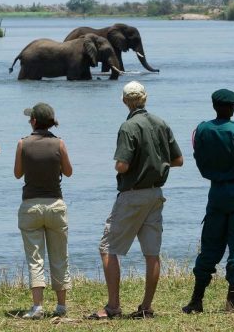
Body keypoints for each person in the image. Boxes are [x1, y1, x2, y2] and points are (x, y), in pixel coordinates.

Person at [88, 81, 184, 320]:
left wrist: (121, 167)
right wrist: (156, 163)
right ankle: (146, 307)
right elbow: (178, 160)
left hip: (132, 195)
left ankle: (113, 306)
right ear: (145, 98)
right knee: (151, 252)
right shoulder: (161, 123)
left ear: (124, 101)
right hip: (155, 194)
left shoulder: (128, 126)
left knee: (108, 248)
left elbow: (122, 165)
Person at [182, 89, 234, 314]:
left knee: (210, 244)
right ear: (231, 108)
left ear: (214, 106)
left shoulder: (202, 129)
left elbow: (199, 157)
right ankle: (232, 301)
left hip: (216, 192)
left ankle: (196, 300)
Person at [14, 102, 73, 320]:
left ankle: (37, 306)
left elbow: (17, 174)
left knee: (35, 258)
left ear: (35, 121)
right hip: (55, 204)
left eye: (31, 118)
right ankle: (60, 306)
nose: (29, 121)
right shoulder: (59, 144)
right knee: (59, 256)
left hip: (31, 205)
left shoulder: (22, 143)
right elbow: (68, 172)